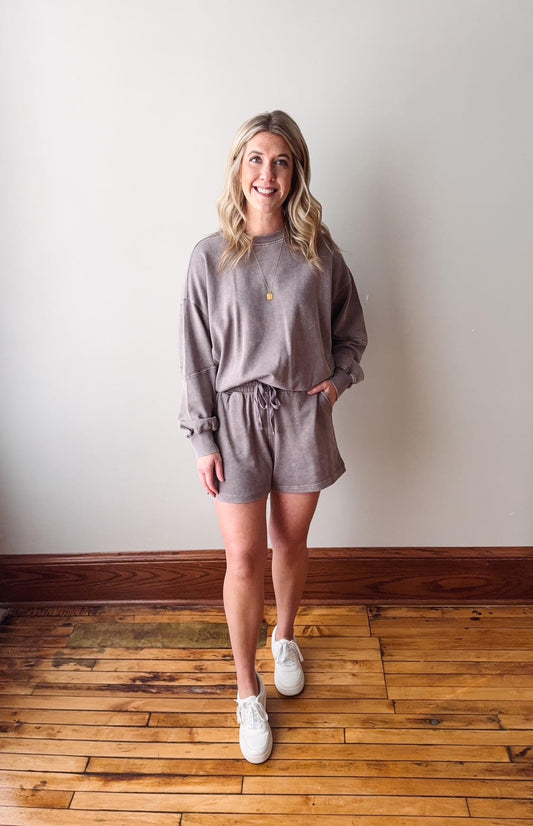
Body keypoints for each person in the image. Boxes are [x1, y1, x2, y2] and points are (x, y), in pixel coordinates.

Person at [179, 110, 367, 763]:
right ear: (238, 168)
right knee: (241, 559)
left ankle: (284, 637)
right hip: (233, 421)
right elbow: (196, 356)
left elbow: (350, 331)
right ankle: (246, 688)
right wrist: (202, 436)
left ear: (295, 174)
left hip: (299, 416)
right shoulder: (209, 256)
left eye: (281, 161)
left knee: (290, 543)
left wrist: (338, 381)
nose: (267, 173)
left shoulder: (317, 252)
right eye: (256, 159)